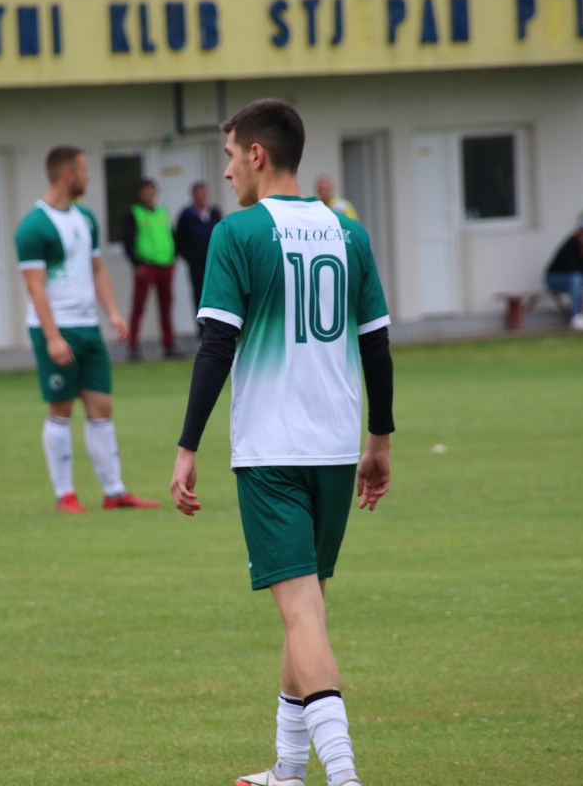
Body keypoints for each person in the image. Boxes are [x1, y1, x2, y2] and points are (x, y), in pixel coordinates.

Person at [170, 99, 394, 786]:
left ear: (257, 155)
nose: (227, 170)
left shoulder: (237, 233)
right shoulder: (349, 233)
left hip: (271, 452)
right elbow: (376, 345)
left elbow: (216, 345)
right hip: (335, 449)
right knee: (307, 614)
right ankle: (288, 771)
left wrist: (187, 446)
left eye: (230, 156)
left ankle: (344, 776)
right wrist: (379, 440)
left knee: (301, 614)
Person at [16, 145, 160, 514]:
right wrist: (52, 337)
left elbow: (97, 269)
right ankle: (65, 495)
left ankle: (114, 492)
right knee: (61, 408)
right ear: (68, 174)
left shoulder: (86, 218)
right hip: (56, 328)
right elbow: (35, 287)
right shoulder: (33, 227)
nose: (88, 176)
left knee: (102, 406)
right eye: (83, 169)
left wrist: (112, 313)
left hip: (88, 327)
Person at [122, 178, 181, 360]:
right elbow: (128, 241)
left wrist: (173, 257)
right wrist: (136, 263)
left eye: (152, 190)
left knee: (166, 307)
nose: (149, 194)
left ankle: (169, 345)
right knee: (139, 306)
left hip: (165, 265)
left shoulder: (162, 212)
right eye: (146, 190)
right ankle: (133, 345)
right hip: (146, 266)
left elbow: (170, 235)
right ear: (140, 193)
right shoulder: (134, 213)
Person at [173, 180, 222, 340]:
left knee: (216, 295)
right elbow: (179, 240)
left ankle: (216, 329)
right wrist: (189, 256)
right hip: (196, 264)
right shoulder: (186, 215)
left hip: (214, 263)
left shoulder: (214, 212)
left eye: (203, 194)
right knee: (199, 296)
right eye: (197, 195)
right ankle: (202, 331)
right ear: (193, 196)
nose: (200, 197)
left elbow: (221, 235)